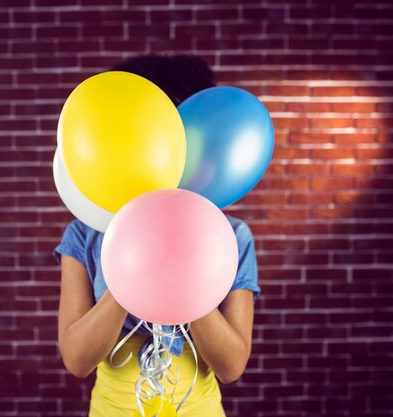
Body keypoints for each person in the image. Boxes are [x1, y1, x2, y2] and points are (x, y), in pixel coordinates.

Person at [53, 54, 260, 417]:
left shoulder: (233, 236)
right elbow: (77, 360)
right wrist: (135, 262)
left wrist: (182, 266)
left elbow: (231, 367)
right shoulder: (83, 234)